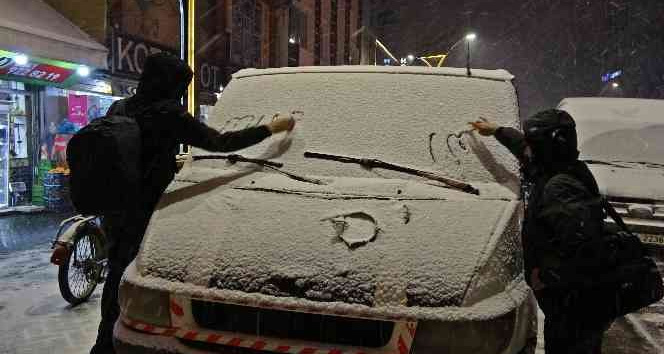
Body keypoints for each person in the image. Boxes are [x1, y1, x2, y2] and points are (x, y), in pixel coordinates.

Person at [89, 52, 295, 353]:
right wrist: (270, 129)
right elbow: (220, 143)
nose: (182, 92)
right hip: (147, 208)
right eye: (181, 86)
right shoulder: (168, 115)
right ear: (169, 84)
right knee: (139, 275)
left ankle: (104, 341)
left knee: (117, 273)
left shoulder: (120, 107)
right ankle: (121, 338)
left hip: (117, 206)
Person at [471, 110, 612, 354]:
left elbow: (586, 253)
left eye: (533, 143)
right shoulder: (558, 167)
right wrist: (496, 130)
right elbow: (522, 149)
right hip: (571, 303)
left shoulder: (560, 188)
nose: (528, 149)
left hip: (575, 308)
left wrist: (546, 277)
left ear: (548, 146)